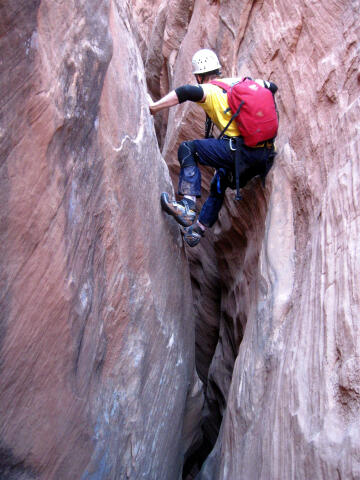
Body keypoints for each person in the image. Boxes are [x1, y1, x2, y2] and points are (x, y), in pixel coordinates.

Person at [148, 49, 278, 247]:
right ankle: (197, 231)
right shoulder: (238, 83)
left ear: (199, 76)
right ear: (216, 70)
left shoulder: (209, 91)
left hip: (239, 152)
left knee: (188, 149)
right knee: (220, 179)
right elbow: (272, 87)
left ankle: (188, 206)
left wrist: (153, 108)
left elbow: (185, 92)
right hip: (264, 154)